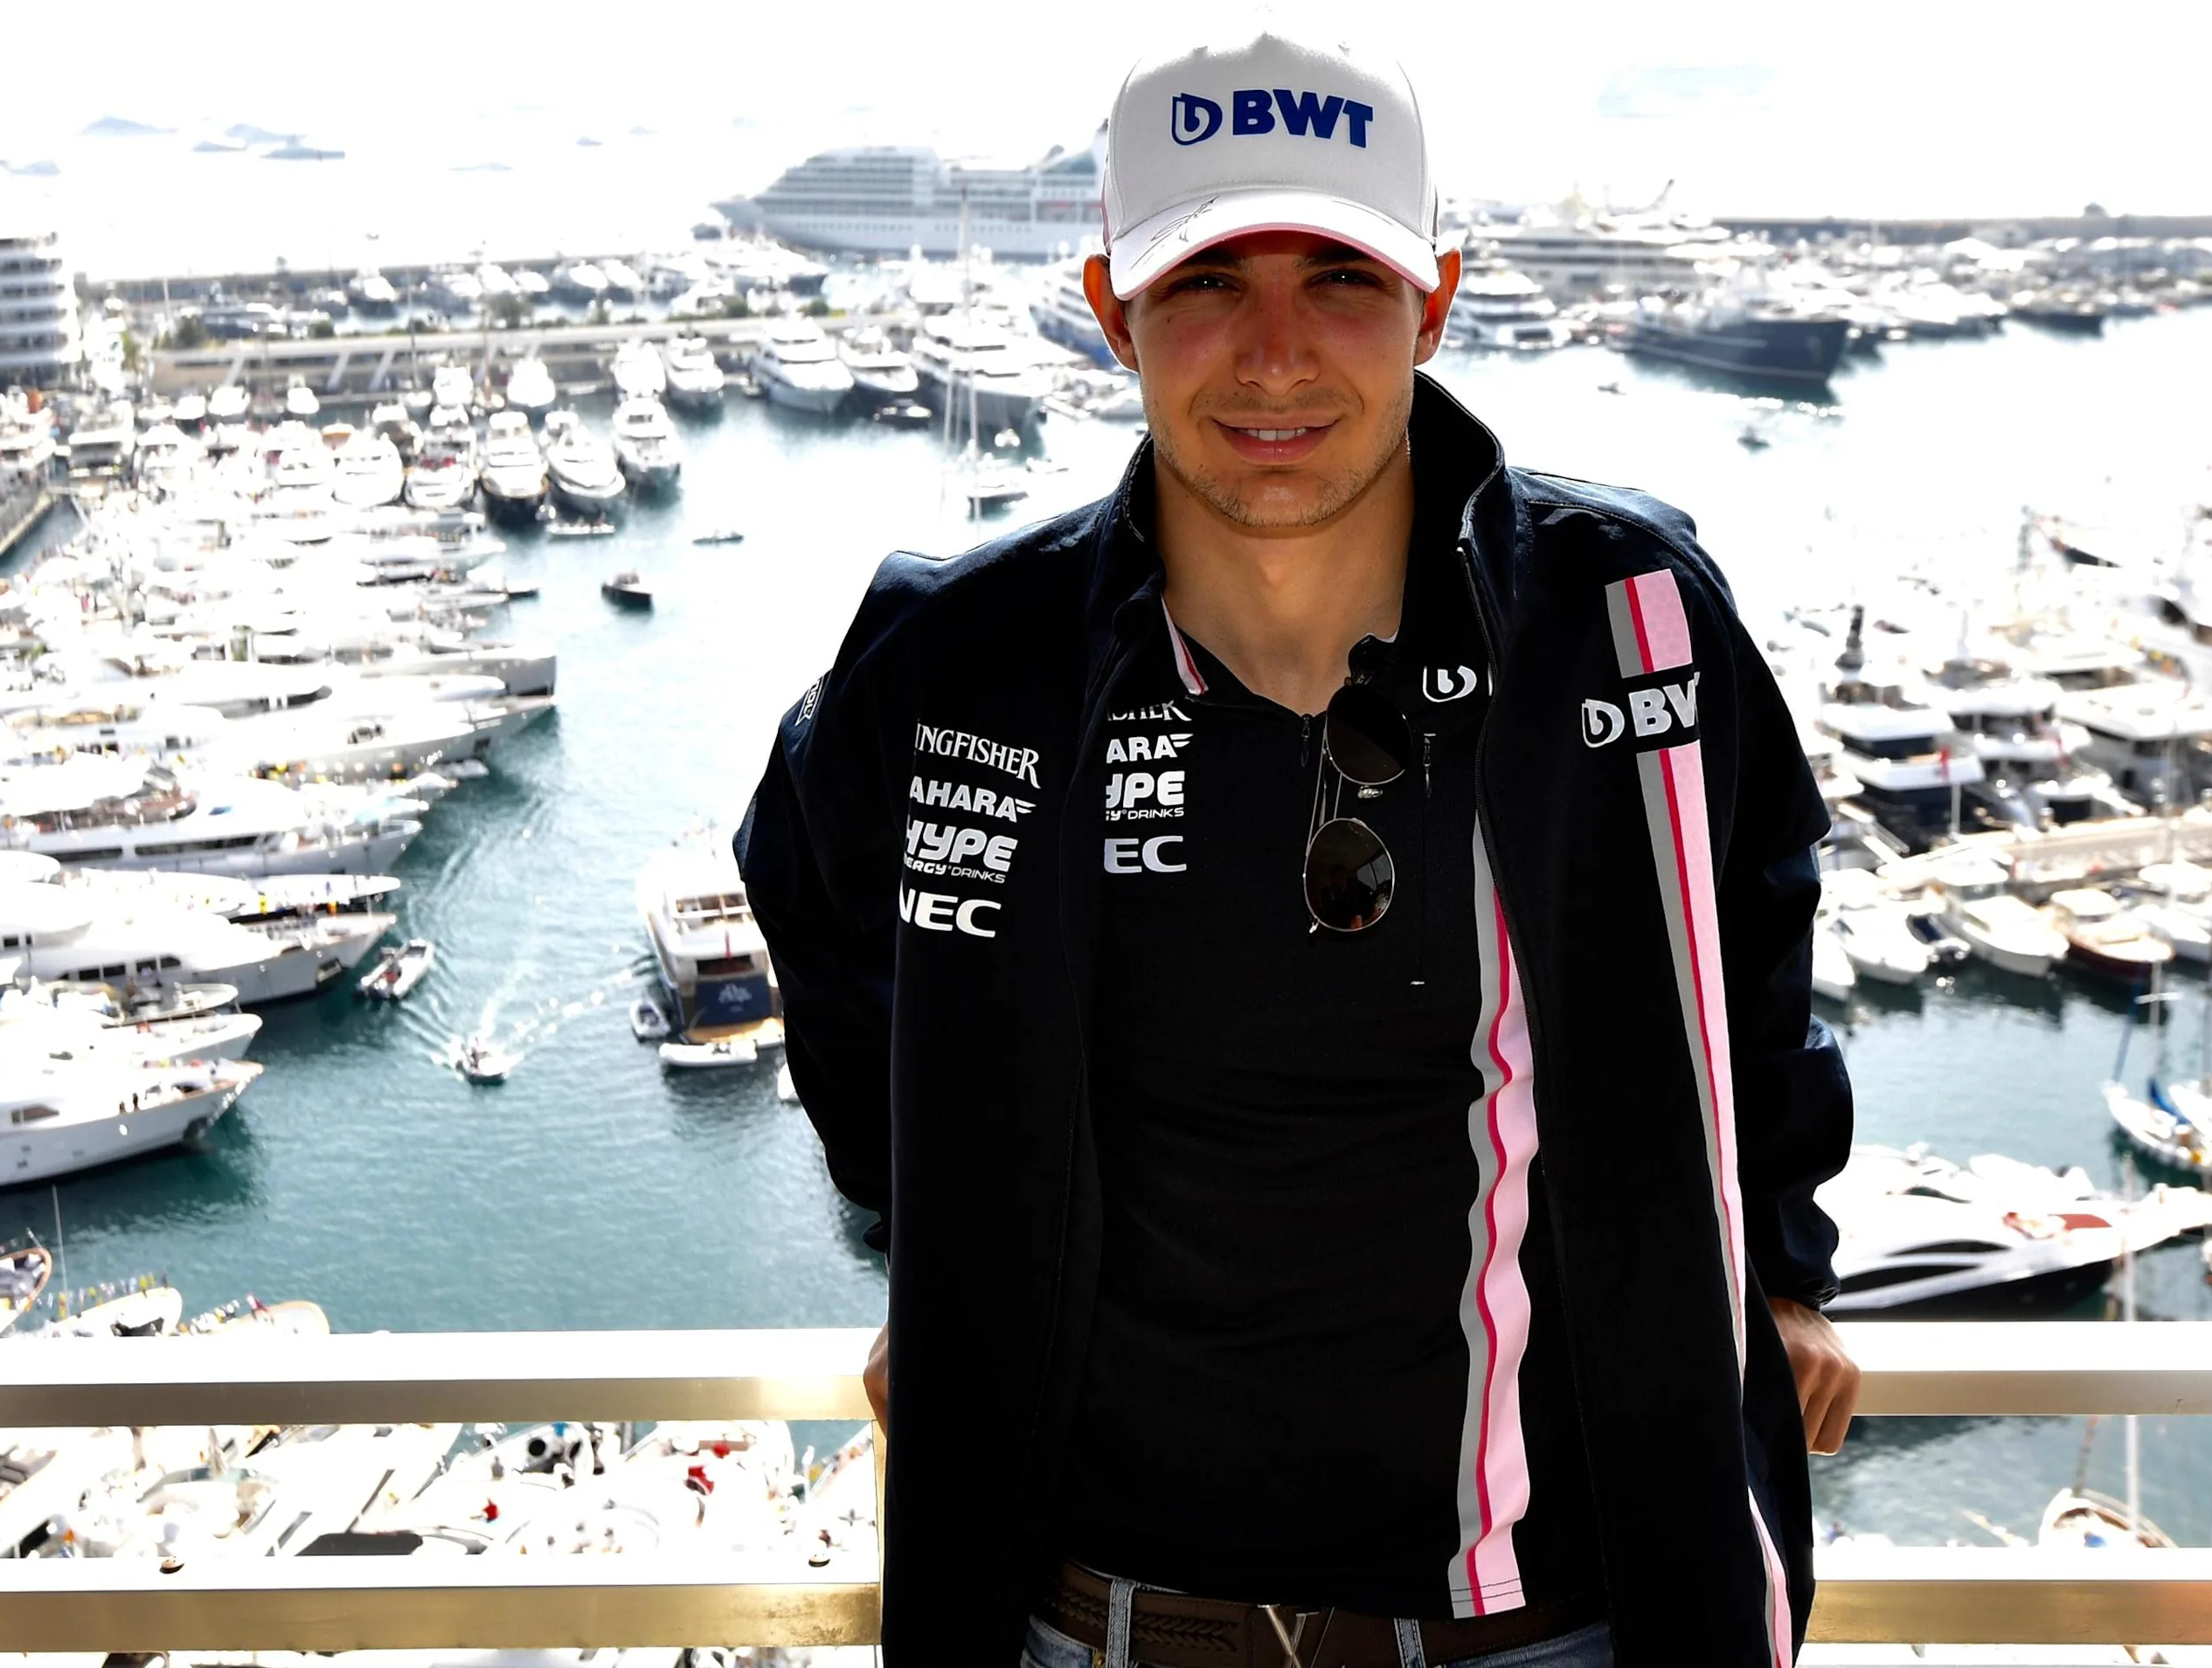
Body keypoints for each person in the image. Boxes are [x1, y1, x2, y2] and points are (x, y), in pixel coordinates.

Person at [738, 31, 1855, 1667]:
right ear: (1112, 309)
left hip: (1554, 1623)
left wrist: (1783, 1264)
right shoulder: (967, 656)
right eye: (1205, 284)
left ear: (1438, 300)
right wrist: (934, 1248)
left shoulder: (1626, 619)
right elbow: (810, 887)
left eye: (1341, 277)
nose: (1272, 357)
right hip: (1090, 1620)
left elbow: (1751, 923)